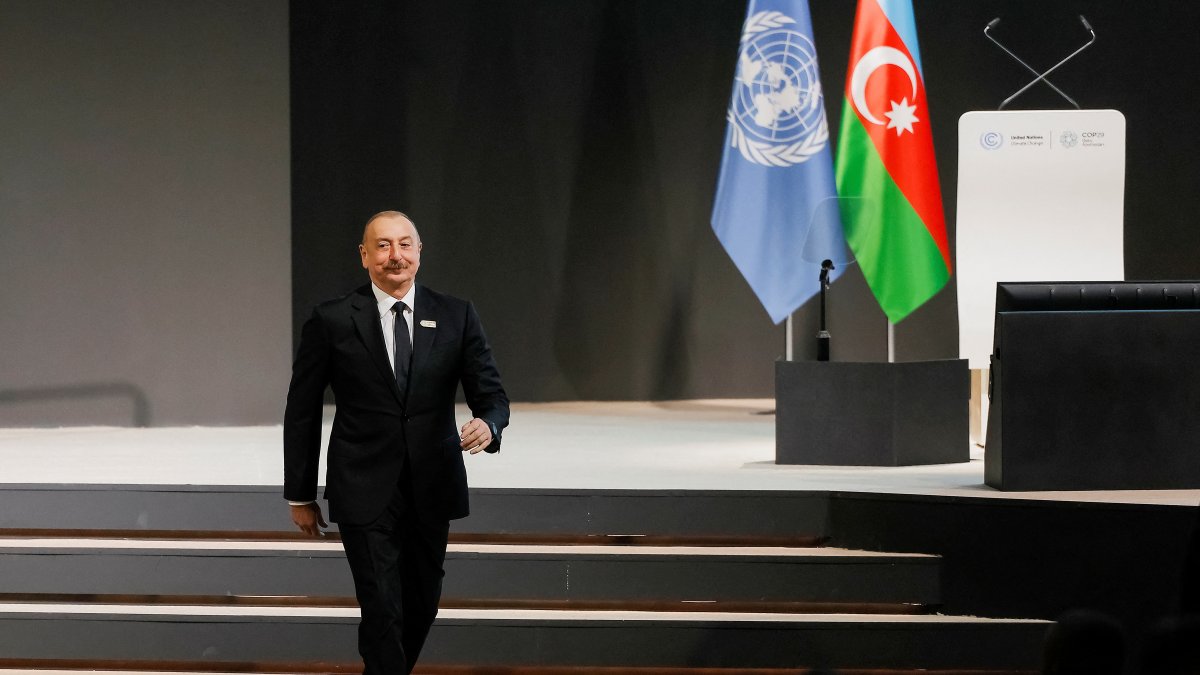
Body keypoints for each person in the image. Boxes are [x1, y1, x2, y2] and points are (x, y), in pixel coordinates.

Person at [283, 210, 509, 674]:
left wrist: (489, 425)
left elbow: (492, 395)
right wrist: (300, 493)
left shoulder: (455, 314)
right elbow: (301, 410)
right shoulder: (332, 320)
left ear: (419, 253)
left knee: (421, 604)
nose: (395, 255)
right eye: (383, 245)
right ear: (364, 256)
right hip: (362, 484)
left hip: (433, 483)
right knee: (382, 607)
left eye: (405, 244)